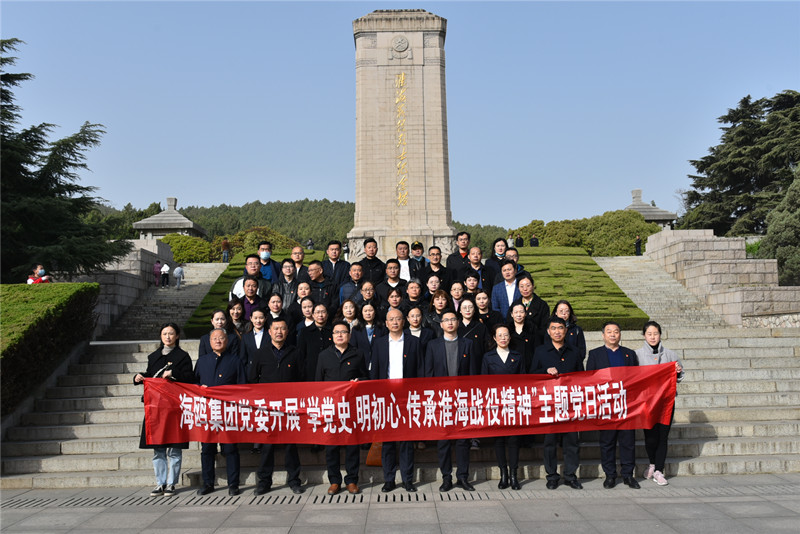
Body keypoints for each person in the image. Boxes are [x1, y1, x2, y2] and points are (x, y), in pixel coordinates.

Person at [134, 322, 194, 497]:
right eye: (164, 334)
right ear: (161, 336)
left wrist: (174, 374)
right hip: (156, 408)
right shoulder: (154, 356)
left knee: (174, 448)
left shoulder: (183, 356)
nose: (168, 337)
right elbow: (151, 376)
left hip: (174, 408)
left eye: (171, 333)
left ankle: (171, 483)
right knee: (158, 448)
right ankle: (160, 483)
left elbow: (189, 378)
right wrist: (139, 377)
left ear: (177, 336)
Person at [248, 318, 305, 495]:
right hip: (268, 408)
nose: (279, 332)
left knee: (290, 446)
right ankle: (264, 482)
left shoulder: (295, 352)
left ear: (287, 332)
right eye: (276, 329)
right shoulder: (261, 353)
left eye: (282, 328)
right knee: (267, 446)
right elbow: (252, 380)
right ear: (270, 332)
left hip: (289, 408)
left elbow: (302, 379)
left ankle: (294, 480)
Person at [370, 309, 423, 492]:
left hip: (407, 397)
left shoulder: (414, 342)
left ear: (403, 321)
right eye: (391, 319)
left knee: (407, 441)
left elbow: (420, 370)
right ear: (386, 323)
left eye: (398, 319)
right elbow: (375, 372)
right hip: (386, 398)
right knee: (388, 441)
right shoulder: (379, 343)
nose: (394, 322)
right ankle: (389, 479)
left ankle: (408, 479)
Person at [531, 316, 585, 490]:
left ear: (566, 330)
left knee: (572, 442)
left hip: (570, 404)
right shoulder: (540, 351)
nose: (557, 331)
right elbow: (532, 374)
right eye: (553, 328)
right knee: (549, 442)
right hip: (549, 404)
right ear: (548, 331)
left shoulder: (574, 351)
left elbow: (582, 376)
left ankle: (570, 476)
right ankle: (552, 476)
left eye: (560, 328)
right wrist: (545, 371)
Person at [425, 310, 476, 491]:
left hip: (462, 399)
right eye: (446, 320)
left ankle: (463, 477)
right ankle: (446, 477)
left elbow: (472, 372)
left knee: (463, 441)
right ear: (441, 324)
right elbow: (429, 374)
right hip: (441, 400)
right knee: (443, 441)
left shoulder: (468, 344)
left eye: (453, 319)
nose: (450, 323)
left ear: (458, 322)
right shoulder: (433, 345)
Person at [316, 321, 368, 495]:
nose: (340, 335)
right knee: (332, 445)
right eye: (336, 332)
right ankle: (334, 481)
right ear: (332, 336)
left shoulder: (358, 354)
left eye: (343, 332)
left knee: (352, 445)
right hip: (331, 407)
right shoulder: (324, 355)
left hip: (351, 407)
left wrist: (359, 382)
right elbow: (318, 383)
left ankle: (351, 480)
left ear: (349, 335)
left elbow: (366, 377)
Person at [587, 321, 641, 489]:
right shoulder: (595, 354)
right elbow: (589, 379)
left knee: (628, 442)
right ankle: (610, 475)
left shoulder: (629, 354)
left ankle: (628, 475)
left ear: (620, 334)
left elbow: (637, 378)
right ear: (603, 335)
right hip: (606, 406)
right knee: (607, 442)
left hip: (626, 406)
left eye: (616, 331)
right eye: (609, 331)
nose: (612, 334)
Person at [194, 328, 246, 495]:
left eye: (221, 338)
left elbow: (243, 386)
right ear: (209, 342)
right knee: (207, 449)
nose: (218, 341)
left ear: (227, 341)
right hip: (208, 412)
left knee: (230, 449)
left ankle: (233, 484)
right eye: (214, 338)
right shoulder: (202, 361)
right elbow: (193, 384)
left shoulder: (235, 360)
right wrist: (199, 389)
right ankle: (208, 483)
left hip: (228, 411)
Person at [635, 320, 684, 486]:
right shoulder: (637, 355)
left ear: (660, 335)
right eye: (649, 334)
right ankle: (652, 463)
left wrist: (678, 372)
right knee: (650, 436)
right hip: (647, 402)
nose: (652, 337)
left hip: (665, 403)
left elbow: (680, 375)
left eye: (655, 333)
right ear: (644, 335)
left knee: (663, 436)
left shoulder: (670, 355)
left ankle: (658, 470)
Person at [481, 324, 524, 490]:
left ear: (510, 337)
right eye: (499, 335)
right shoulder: (488, 357)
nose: (503, 338)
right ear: (494, 338)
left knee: (514, 440)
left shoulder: (517, 356)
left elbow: (523, 379)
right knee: (499, 439)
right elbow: (484, 381)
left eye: (506, 335)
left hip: (513, 403)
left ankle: (514, 475)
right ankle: (503, 473)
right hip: (495, 404)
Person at [508, 275, 550, 347]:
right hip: (516, 343)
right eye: (521, 286)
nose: (525, 289)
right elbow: (509, 323)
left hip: (535, 343)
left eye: (528, 285)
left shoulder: (542, 305)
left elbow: (544, 327)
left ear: (533, 286)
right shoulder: (515, 304)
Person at [297, 303, 333, 381]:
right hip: (310, 372)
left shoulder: (333, 331)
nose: (320, 315)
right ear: (313, 315)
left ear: (327, 314)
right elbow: (301, 354)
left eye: (323, 312)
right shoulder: (305, 332)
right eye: (317, 312)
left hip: (330, 371)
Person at [349, 302, 385, 367]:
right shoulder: (356, 330)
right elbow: (353, 348)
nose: (368, 313)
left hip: (379, 364)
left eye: (370, 310)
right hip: (362, 365)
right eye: (365, 311)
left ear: (375, 312)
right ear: (362, 313)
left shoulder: (382, 329)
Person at [508, 303, 537, 372]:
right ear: (512, 314)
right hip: (511, 366)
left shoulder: (532, 328)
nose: (519, 315)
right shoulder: (508, 329)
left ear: (525, 313)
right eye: (516, 312)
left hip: (529, 365)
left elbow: (537, 348)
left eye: (521, 312)